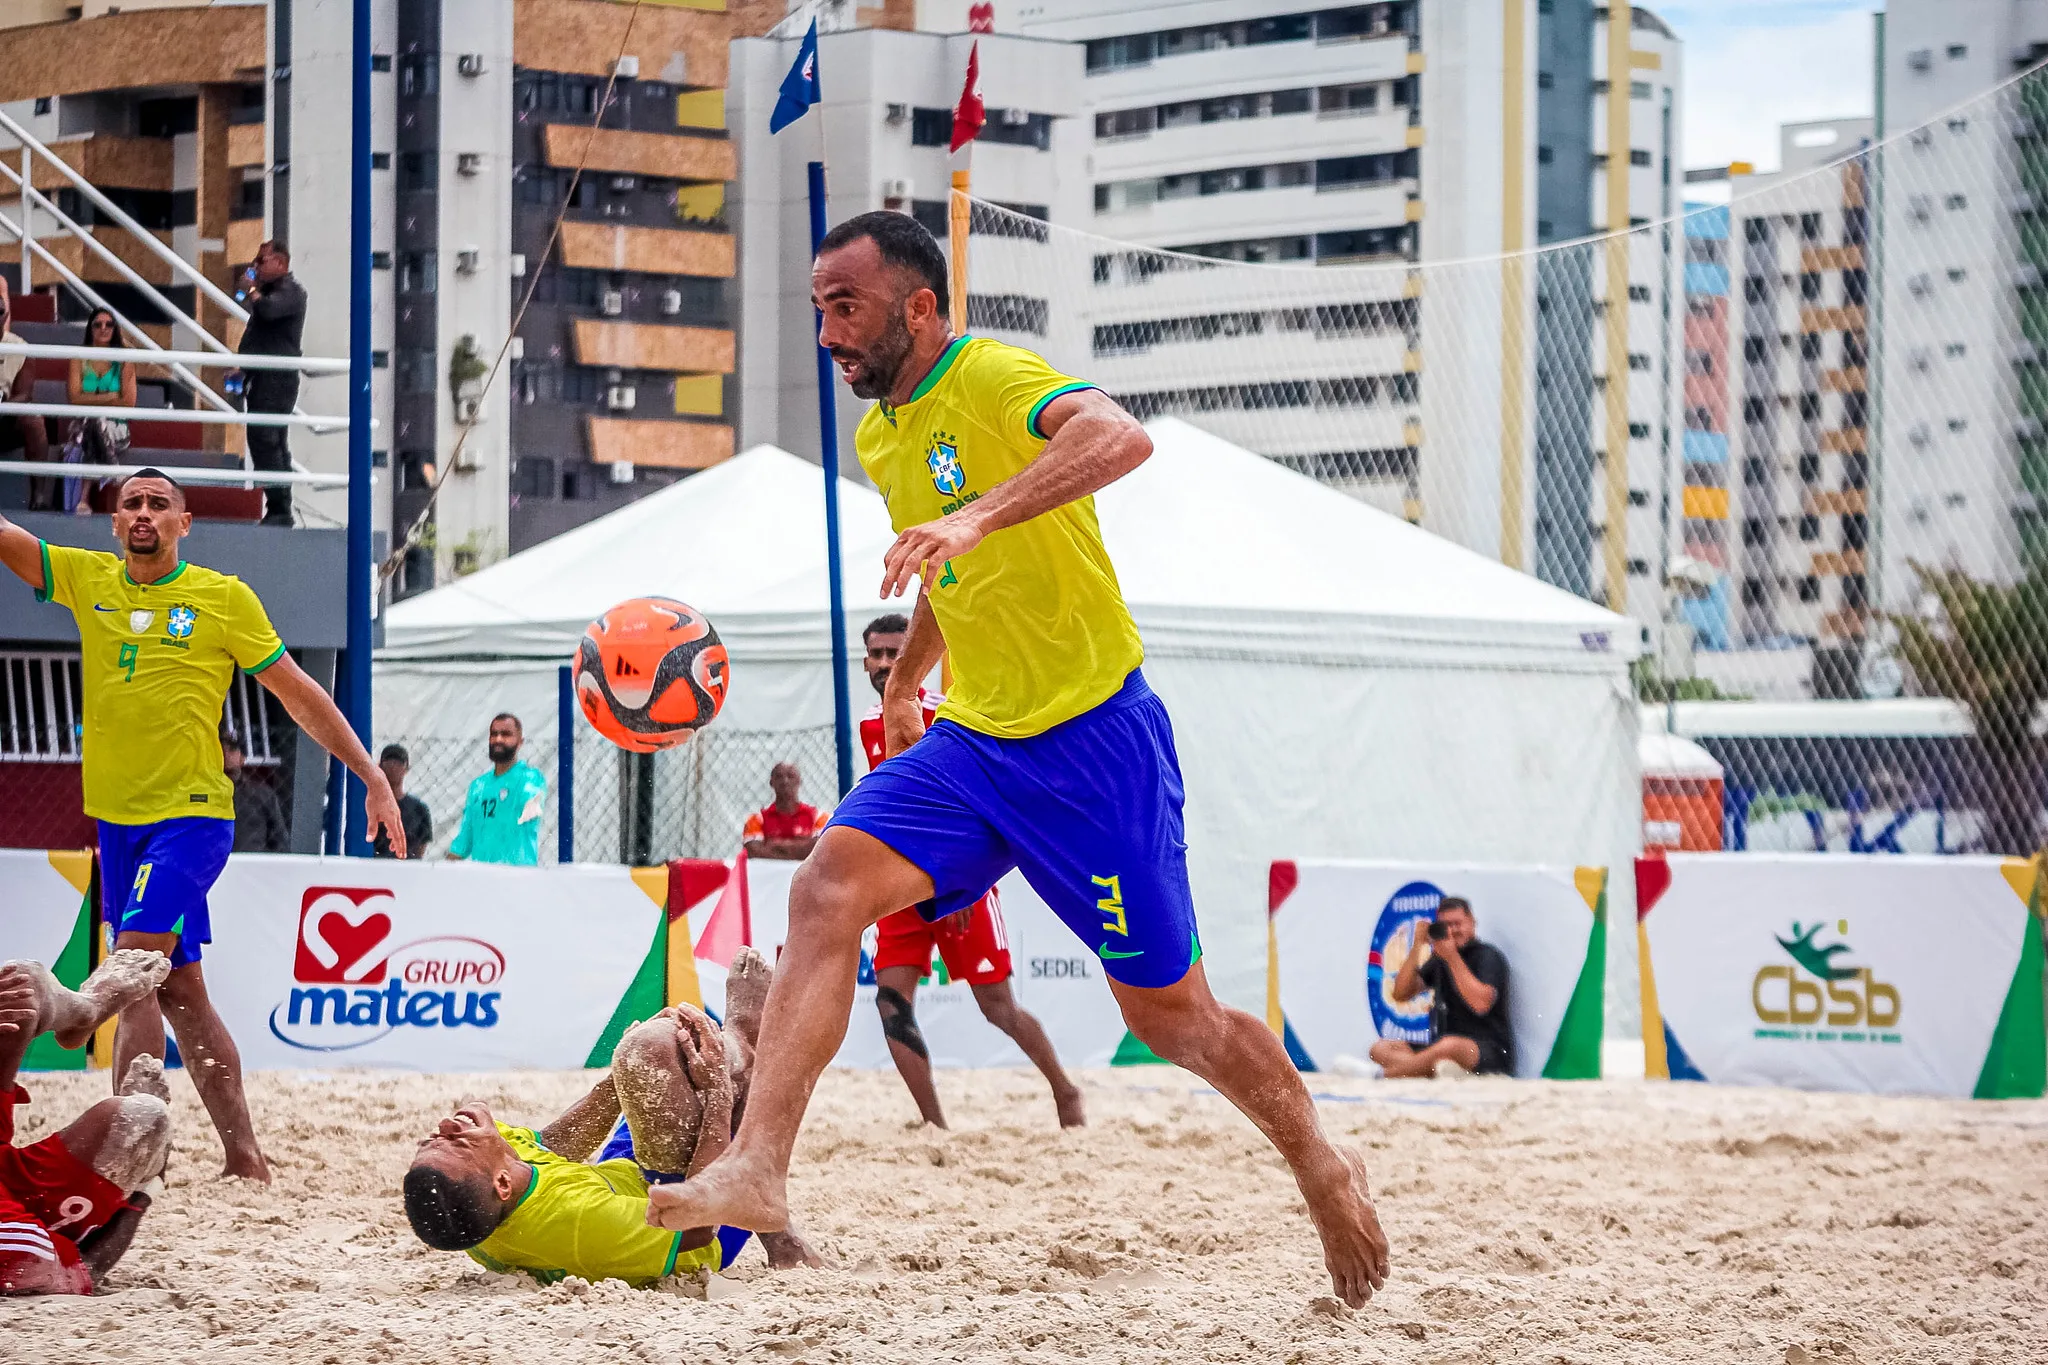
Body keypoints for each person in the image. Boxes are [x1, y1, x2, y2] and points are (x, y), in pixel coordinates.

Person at [645, 211, 1390, 1309]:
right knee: (824, 891)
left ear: (919, 307)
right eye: (816, 308)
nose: (826, 331)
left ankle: (1321, 1165)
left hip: (1094, 743)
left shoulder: (989, 375)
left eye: (843, 306)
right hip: (975, 742)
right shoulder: (881, 435)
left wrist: (979, 516)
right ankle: (758, 1167)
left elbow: (1121, 439)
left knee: (1170, 1018)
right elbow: (950, 574)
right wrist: (905, 685)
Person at [0, 467, 406, 1182]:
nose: (146, 511)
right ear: (115, 522)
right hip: (119, 825)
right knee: (178, 990)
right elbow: (12, 539)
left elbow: (301, 696)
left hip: (191, 818)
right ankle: (246, 1160)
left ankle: (106, 1101)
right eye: (133, 503)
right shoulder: (89, 579)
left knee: (131, 968)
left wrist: (372, 776)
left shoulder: (222, 598)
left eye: (160, 502)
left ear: (185, 523)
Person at [403, 947, 818, 1285]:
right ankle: (746, 1038)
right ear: (503, 1183)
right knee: (671, 1055)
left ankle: (735, 1059)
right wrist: (717, 1096)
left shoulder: (486, 1194)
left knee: (647, 1058)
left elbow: (553, 1148)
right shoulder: (576, 1225)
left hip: (622, 1181)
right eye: (454, 1142)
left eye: (432, 1139)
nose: (444, 1127)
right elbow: (696, 1225)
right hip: (700, 1226)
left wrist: (621, 1076)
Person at [857, 612, 1083, 1130]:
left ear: (923, 656)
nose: (887, 663)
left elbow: (979, 806)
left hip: (961, 880)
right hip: (900, 887)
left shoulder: (949, 716)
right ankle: (934, 1126)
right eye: (879, 654)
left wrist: (962, 887)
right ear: (865, 659)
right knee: (891, 1003)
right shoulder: (874, 719)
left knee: (998, 1007)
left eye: (898, 652)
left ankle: (1065, 1091)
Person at [0, 949, 176, 1296]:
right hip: (25, 1209)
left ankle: (88, 1010)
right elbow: (82, 1271)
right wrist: (147, 1190)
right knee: (145, 1119)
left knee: (23, 986)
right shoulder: (15, 1244)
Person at [1370, 897, 1514, 1079]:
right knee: (1380, 1048)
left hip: (1485, 1048)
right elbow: (1400, 993)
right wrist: (1417, 947)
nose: (1453, 931)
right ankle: (1435, 1068)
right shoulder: (1439, 960)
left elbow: (1481, 1004)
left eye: (1457, 924)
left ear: (1472, 923)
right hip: (1441, 1045)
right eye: (1446, 925)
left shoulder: (1487, 956)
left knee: (1449, 1046)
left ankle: (1383, 1075)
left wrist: (1452, 957)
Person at [230, 240, 307, 526]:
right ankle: (276, 506)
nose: (255, 266)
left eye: (261, 261)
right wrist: (243, 368)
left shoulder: (292, 293)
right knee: (264, 441)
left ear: (280, 264)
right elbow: (257, 330)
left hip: (278, 379)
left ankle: (280, 509)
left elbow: (270, 312)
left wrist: (252, 289)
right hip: (261, 376)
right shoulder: (266, 291)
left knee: (269, 441)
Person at [446, 714, 545, 866]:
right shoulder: (478, 785)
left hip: (518, 878)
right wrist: (441, 871)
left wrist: (531, 805)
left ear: (520, 742)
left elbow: (532, 803)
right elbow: (465, 839)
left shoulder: (530, 777)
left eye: (506, 734)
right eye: (494, 734)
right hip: (482, 878)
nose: (498, 739)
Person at [62, 307, 134, 515]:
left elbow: (128, 402)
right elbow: (74, 399)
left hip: (118, 429)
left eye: (109, 324)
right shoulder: (79, 358)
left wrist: (92, 401)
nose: (103, 328)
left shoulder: (124, 359)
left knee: (95, 424)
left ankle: (84, 499)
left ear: (115, 329)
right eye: (97, 324)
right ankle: (117, 476)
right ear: (90, 328)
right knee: (94, 423)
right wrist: (110, 397)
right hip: (83, 426)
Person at [0, 276, 54, 511]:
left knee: (33, 420)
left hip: (6, 414)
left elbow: (25, 393)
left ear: (4, 316)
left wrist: (5, 404)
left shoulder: (19, 347)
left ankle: (39, 496)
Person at [740, 762, 827, 861]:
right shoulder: (757, 819)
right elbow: (753, 851)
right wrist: (803, 846)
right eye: (779, 777)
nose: (785, 781)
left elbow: (822, 848)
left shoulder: (818, 817)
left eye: (791, 776)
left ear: (799, 781)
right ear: (771, 783)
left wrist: (774, 845)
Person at [222, 733, 289, 854]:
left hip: (253, 863)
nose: (225, 754)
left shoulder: (262, 794)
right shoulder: (200, 794)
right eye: (220, 749)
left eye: (231, 749)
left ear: (242, 757)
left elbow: (280, 839)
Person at [374, 743, 435, 859]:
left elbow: (421, 848)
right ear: (380, 766)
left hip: (408, 868)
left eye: (399, 762)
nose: (393, 766)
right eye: (389, 761)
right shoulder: (372, 805)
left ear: (407, 768)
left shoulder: (419, 809)